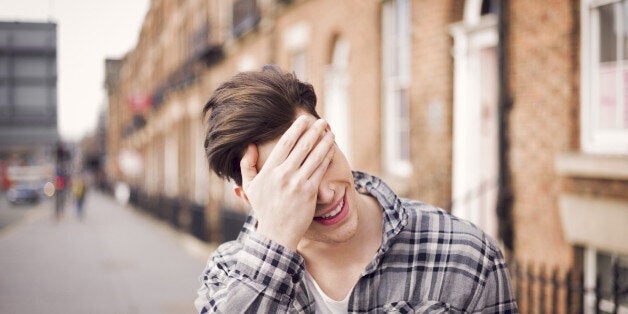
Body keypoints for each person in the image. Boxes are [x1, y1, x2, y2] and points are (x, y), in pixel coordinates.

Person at [195, 66, 518, 313]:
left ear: (331, 136)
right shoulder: (227, 275)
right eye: (292, 183)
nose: (324, 194)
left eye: (318, 159)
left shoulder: (466, 256)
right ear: (249, 198)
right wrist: (276, 237)